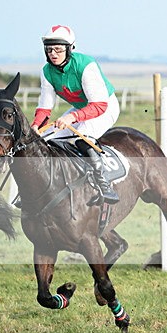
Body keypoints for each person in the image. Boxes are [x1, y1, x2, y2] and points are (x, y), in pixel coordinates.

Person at [32, 25, 119, 204]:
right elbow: (45, 107)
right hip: (81, 109)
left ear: (70, 49)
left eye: (58, 49)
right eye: (49, 50)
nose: (53, 54)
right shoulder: (47, 71)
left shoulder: (86, 66)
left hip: (105, 107)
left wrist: (72, 117)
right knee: (43, 140)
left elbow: (99, 105)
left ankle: (104, 187)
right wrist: (35, 126)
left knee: (83, 138)